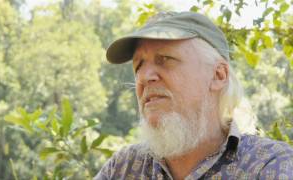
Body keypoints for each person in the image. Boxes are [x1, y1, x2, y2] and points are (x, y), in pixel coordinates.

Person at [94, 11, 293, 179]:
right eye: (138, 65)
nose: (144, 77)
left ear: (218, 75)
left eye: (164, 59)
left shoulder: (270, 165)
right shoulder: (122, 168)